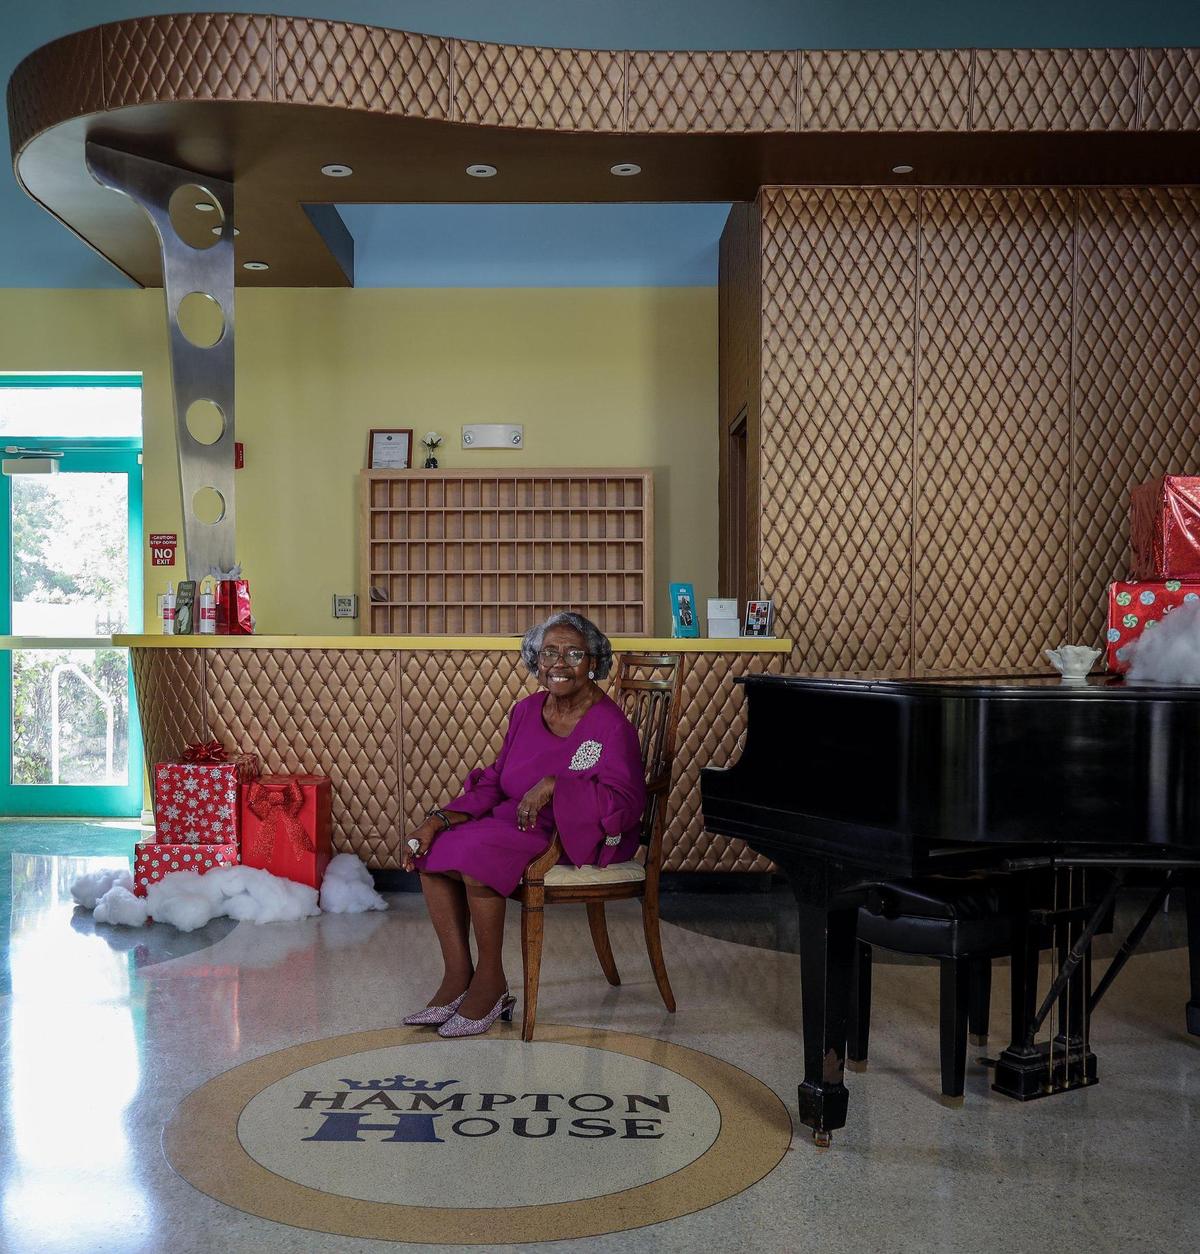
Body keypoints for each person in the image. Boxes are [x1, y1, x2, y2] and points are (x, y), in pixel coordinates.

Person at [400, 611, 647, 1038]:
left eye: (574, 654)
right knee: (435, 849)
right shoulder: (526, 710)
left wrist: (556, 786)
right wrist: (436, 821)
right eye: (549, 652)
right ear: (536, 659)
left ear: (594, 662)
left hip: (571, 833)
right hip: (515, 824)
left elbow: (626, 803)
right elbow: (496, 781)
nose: (559, 663)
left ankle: (490, 983)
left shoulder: (611, 726)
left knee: (476, 855)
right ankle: (458, 977)